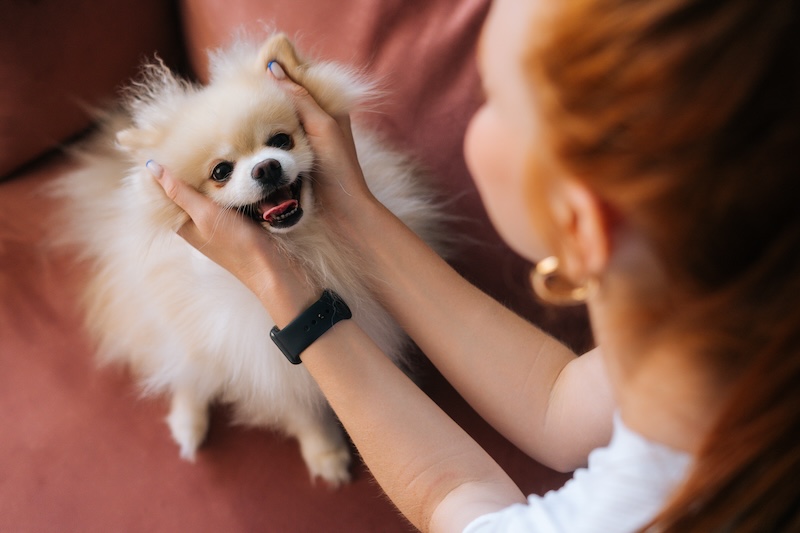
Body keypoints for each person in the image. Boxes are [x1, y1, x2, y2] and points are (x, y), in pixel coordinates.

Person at [145, 0, 800, 530]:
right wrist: (352, 212)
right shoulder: (753, 332)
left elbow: (451, 495)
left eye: (495, 101)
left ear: (581, 221)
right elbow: (558, 405)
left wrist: (277, 289)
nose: (479, 113)